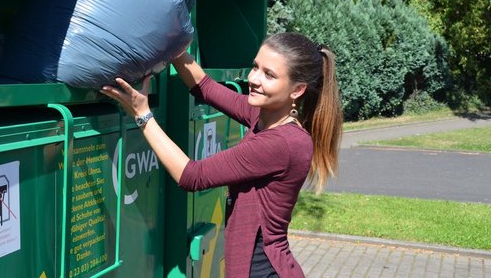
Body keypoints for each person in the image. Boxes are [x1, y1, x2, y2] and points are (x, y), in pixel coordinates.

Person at [100, 32, 343, 278]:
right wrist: (173, 47)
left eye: (269, 75)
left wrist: (142, 114)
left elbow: (192, 176)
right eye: (255, 67)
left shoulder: (282, 142)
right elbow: (204, 87)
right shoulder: (266, 117)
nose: (253, 79)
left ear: (297, 90)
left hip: (260, 270)